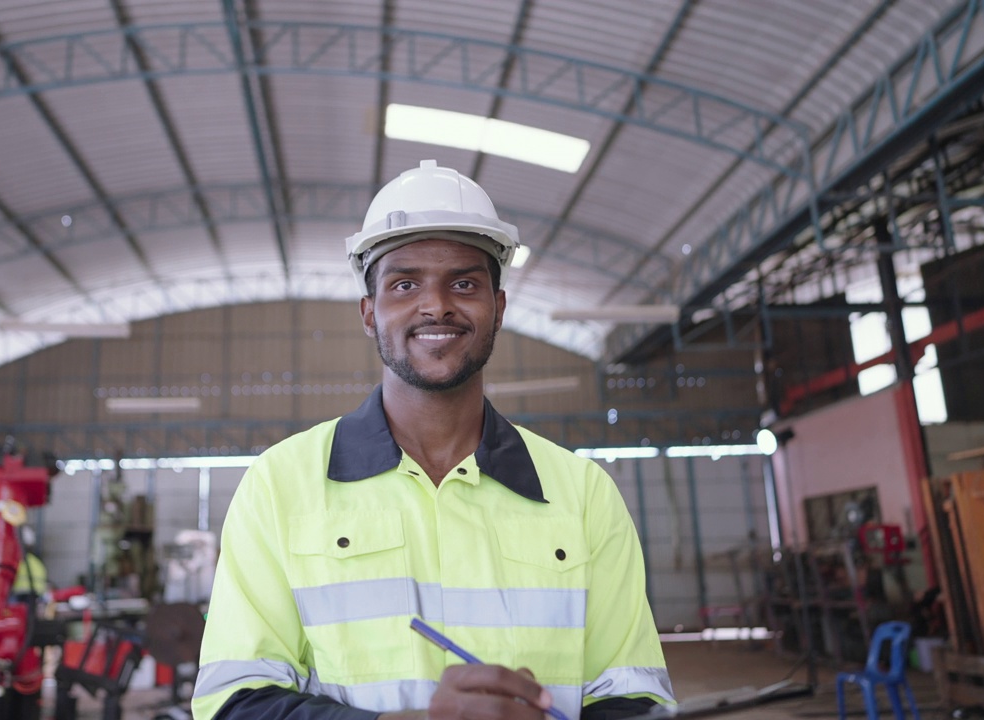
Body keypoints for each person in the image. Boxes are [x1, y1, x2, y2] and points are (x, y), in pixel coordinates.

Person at [193, 160, 673, 720]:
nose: (436, 304)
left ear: (499, 308)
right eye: (404, 283)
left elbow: (636, 700)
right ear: (370, 313)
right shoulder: (281, 485)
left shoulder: (582, 493)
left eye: (464, 283)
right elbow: (235, 704)